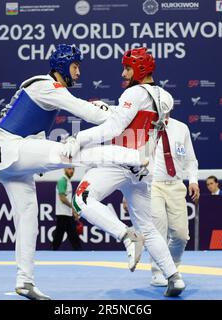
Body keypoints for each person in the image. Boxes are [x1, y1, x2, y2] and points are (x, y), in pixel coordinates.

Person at [0, 44, 143, 300]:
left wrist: (40, 159)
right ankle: (133, 159)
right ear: (62, 66)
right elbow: (86, 112)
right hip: (14, 149)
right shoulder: (46, 86)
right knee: (73, 153)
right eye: (75, 67)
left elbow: (34, 129)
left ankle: (24, 281)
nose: (78, 73)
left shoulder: (41, 90)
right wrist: (120, 112)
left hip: (9, 159)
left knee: (28, 220)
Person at [68, 47, 186, 297]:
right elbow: (134, 118)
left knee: (81, 199)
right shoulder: (165, 96)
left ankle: (125, 235)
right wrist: (109, 109)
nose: (123, 72)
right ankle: (173, 277)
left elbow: (114, 128)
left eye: (128, 68)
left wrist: (79, 137)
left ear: (140, 69)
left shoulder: (134, 92)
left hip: (120, 160)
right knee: (149, 228)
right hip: (144, 168)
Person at [149, 116, 199, 288]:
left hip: (176, 184)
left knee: (181, 235)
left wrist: (193, 180)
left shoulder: (181, 127)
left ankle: (172, 269)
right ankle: (157, 272)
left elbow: (190, 159)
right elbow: (134, 159)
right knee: (158, 230)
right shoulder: (143, 125)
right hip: (152, 184)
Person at [52, 167, 82, 250]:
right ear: (64, 169)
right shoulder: (62, 181)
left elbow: (66, 198)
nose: (71, 171)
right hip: (62, 214)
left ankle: (79, 251)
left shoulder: (68, 182)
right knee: (61, 237)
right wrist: (73, 208)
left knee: (72, 237)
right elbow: (62, 198)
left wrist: (73, 212)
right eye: (69, 169)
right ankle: (79, 251)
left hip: (66, 214)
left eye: (73, 169)